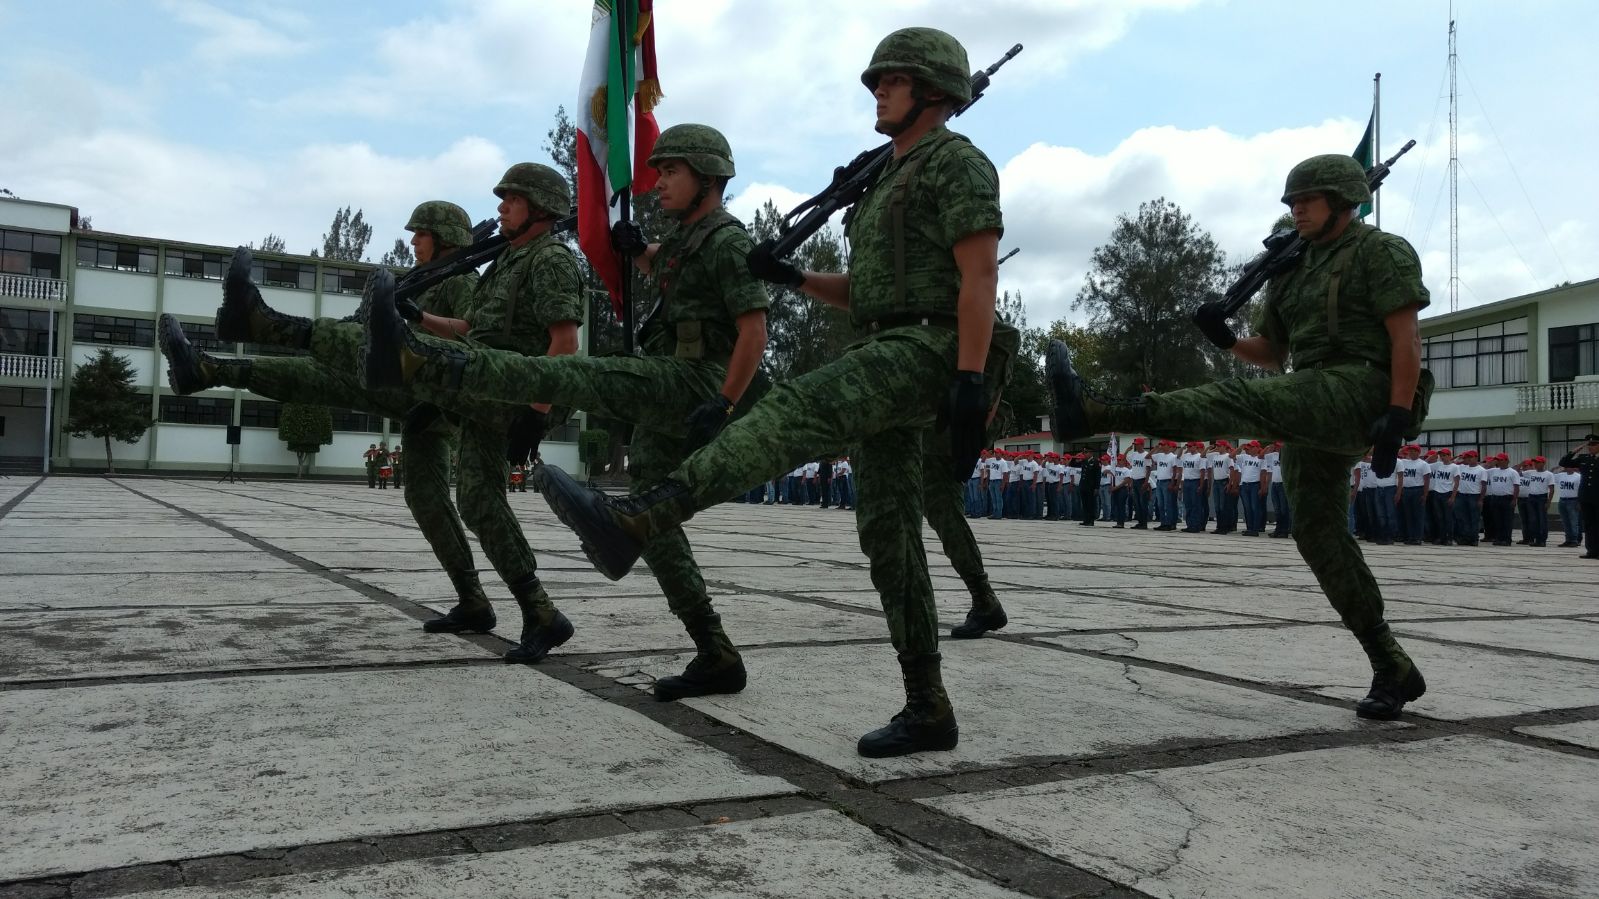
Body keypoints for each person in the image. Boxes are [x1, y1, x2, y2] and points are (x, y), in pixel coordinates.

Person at [463, 27, 1006, 757]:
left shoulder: (956, 163)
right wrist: (798, 280)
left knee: (795, 406)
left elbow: (978, 277)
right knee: (889, 539)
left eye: (893, 79)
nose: (877, 88)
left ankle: (642, 516)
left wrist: (970, 378)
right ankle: (927, 704)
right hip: (884, 338)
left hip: (925, 348)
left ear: (934, 90)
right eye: (878, 79)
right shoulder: (884, 183)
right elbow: (870, 293)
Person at [363, 125, 782, 700]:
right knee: (655, 527)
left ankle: (427, 362)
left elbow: (753, 329)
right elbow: (670, 274)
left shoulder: (728, 241)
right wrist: (638, 252)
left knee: (584, 373)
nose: (658, 182)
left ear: (708, 179)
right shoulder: (687, 240)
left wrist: (726, 401)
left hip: (695, 383)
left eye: (671, 172)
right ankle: (715, 651)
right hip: (674, 386)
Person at [1047, 152, 1434, 720]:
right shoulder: (1292, 269)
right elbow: (1273, 356)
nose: (1296, 210)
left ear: (1344, 201)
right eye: (1292, 202)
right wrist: (1225, 339)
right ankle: (1391, 664)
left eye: (1307, 200)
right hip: (1311, 392)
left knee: (1243, 403)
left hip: (1365, 386)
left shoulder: (1381, 251)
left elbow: (1406, 338)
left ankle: (1103, 409)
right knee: (1317, 534)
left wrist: (1396, 415)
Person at [191, 175, 583, 663]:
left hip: (503, 392)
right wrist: (417, 319)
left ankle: (261, 329)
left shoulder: (541, 261)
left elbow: (563, 343)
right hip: (476, 391)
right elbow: (471, 330)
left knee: (365, 363)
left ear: (540, 207)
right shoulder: (503, 263)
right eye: (502, 201)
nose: (502, 208)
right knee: (476, 504)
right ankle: (537, 612)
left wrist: (536, 414)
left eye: (513, 201)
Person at [1556, 434, 1599, 559]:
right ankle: (1592, 551)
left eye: (1593, 444)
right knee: (1589, 525)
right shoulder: (1583, 458)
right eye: (1589, 445)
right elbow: (1564, 462)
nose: (1590, 447)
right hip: (1586, 497)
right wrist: (1578, 449)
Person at [1394, 444, 1428, 545]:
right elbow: (1395, 456)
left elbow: (1427, 480)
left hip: (1417, 490)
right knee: (1408, 515)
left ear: (1418, 452)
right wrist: (1403, 450)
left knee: (1418, 515)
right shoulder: (1404, 462)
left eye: (1414, 451)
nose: (1411, 452)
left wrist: (1425, 495)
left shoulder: (1423, 464)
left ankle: (1417, 537)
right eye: (1410, 451)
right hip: (1406, 490)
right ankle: (1410, 536)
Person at [1483, 453, 1519, 547]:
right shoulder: (1493, 471)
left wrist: (1514, 499)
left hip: (1507, 498)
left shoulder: (1512, 472)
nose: (1498, 462)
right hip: (1495, 498)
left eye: (1500, 460)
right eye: (1497, 460)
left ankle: (1506, 539)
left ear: (1507, 461)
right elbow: (1484, 468)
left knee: (1507, 520)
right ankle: (1498, 538)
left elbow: (1516, 487)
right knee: (1497, 520)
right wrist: (1491, 462)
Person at [1451, 450, 1486, 546]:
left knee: (1474, 518)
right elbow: (1451, 463)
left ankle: (1474, 538)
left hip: (1474, 495)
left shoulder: (1481, 470)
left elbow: (1484, 486)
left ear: (1476, 458)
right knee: (1462, 518)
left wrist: (1481, 499)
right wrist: (1459, 457)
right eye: (1466, 457)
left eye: (1470, 457)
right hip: (1462, 495)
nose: (1468, 459)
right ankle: (1465, 538)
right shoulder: (1461, 467)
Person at [1519, 456, 1554, 547]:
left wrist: (1549, 501)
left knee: (1542, 520)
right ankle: (1536, 539)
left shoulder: (1548, 474)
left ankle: (1542, 540)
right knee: (1533, 520)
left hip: (1542, 498)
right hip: (1531, 497)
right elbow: (1516, 471)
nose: (1536, 464)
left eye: (1538, 462)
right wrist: (1521, 464)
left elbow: (1552, 489)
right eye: (1535, 462)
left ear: (1543, 463)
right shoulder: (1530, 472)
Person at [1426, 447, 1456, 544]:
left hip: (1447, 493)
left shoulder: (1454, 467)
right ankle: (1441, 537)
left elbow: (1457, 483)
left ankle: (1449, 538)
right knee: (1439, 517)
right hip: (1437, 493)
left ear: (1449, 456)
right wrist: (1433, 456)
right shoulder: (1438, 465)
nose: (1442, 457)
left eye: (1444, 455)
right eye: (1441, 456)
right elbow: (1424, 464)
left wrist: (1452, 497)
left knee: (1448, 517)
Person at [1555, 457, 1584, 547]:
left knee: (1574, 522)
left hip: (1573, 500)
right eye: (1566, 466)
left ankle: (1575, 540)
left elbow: (1581, 490)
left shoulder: (1578, 477)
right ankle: (1568, 539)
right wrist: (1558, 468)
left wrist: (1579, 502)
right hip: (1562, 500)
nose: (1567, 468)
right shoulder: (1561, 475)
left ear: (1573, 467)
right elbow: (1552, 474)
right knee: (1565, 522)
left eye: (1569, 466)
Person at [1125, 437, 1151, 528]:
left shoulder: (1146, 454)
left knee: (1143, 503)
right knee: (1136, 503)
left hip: (1142, 480)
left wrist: (1146, 482)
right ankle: (1140, 522)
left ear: (1142, 445)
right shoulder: (1134, 454)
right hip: (1135, 480)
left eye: (1137, 444)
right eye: (1135, 444)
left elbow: (1148, 469)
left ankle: (1144, 523)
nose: (1136, 446)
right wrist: (1127, 450)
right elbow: (1125, 459)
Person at [1078, 450, 1102, 526]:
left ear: (1091, 453)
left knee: (1090, 504)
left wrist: (1096, 487)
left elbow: (1098, 476)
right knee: (1084, 504)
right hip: (1083, 485)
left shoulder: (1095, 462)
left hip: (1091, 486)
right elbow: (1073, 463)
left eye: (1086, 452)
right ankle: (1086, 519)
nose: (1084, 454)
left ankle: (1091, 520)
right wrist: (1077, 455)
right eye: (1084, 453)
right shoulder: (1084, 461)